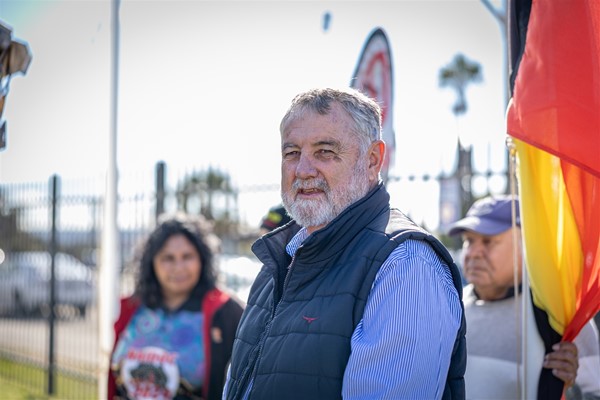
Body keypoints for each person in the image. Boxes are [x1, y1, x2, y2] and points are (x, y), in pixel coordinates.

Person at [223, 87, 467, 399]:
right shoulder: (279, 262)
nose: (303, 170)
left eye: (325, 151)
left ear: (373, 160)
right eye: (291, 153)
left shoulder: (406, 264)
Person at [447, 195, 600, 399]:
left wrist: (568, 391)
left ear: (526, 245)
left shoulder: (561, 318)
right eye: (469, 241)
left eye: (488, 241)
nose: (473, 253)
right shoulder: (451, 308)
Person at [109, 213, 244, 400]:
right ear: (151, 262)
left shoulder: (227, 312)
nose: (178, 267)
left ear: (202, 260)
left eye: (187, 256)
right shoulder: (132, 308)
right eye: (168, 258)